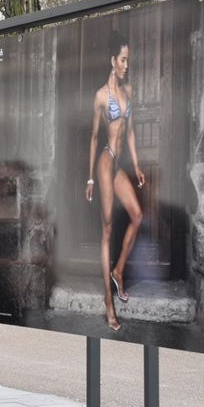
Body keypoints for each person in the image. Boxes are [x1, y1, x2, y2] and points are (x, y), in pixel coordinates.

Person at [85, 31, 145, 332]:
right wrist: (90, 179)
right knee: (107, 228)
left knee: (137, 215)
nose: (126, 65)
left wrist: (135, 164)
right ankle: (108, 303)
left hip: (120, 164)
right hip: (105, 162)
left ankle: (118, 270)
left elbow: (130, 132)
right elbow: (95, 136)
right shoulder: (101, 96)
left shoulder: (128, 92)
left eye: (128, 61)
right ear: (113, 60)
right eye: (123, 60)